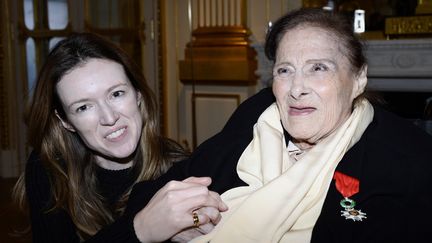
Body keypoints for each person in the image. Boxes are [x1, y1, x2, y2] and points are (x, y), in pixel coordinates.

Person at [125, 8, 432, 243]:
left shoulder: (407, 157)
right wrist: (180, 223)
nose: (297, 88)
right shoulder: (257, 119)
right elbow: (154, 194)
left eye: (318, 68)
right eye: (285, 70)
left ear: (358, 79)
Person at [13, 33, 227, 243]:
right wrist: (141, 229)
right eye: (84, 107)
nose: (109, 118)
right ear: (65, 120)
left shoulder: (178, 168)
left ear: (137, 93)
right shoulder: (49, 169)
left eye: (116, 94)